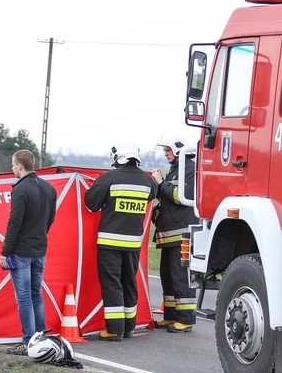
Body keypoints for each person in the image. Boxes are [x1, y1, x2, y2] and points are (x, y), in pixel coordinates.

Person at [83, 145, 156, 341]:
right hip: (133, 244)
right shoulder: (148, 182)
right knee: (129, 283)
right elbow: (153, 194)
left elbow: (90, 203)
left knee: (112, 283)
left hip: (109, 242)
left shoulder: (109, 178)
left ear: (118, 159)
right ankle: (129, 327)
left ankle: (115, 329)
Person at [0, 149, 57, 356]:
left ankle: (28, 342)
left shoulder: (20, 189)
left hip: (21, 251)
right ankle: (40, 337)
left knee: (24, 297)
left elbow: (14, 222)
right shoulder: (49, 188)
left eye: (13, 164)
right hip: (39, 249)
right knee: (36, 294)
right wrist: (40, 235)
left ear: (20, 166)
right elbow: (51, 218)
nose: (11, 168)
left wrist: (5, 252)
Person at [151, 139, 201, 331]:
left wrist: (161, 183)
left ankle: (186, 319)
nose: (165, 153)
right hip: (168, 233)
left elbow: (181, 196)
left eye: (168, 149)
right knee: (168, 276)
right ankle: (171, 316)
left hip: (181, 234)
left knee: (180, 276)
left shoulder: (189, 169)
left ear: (179, 149)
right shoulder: (176, 169)